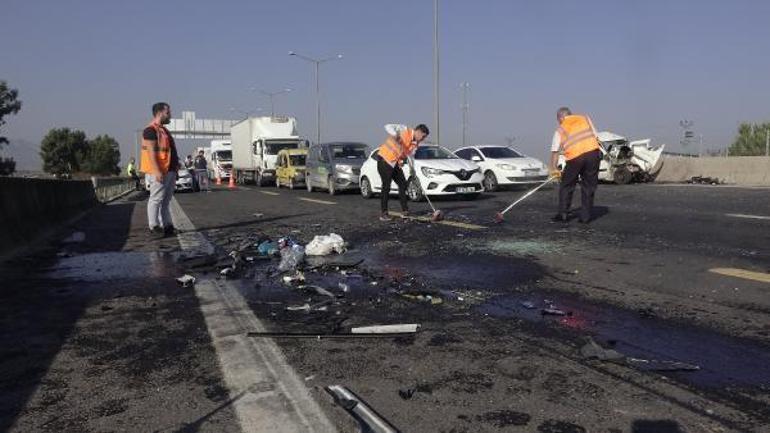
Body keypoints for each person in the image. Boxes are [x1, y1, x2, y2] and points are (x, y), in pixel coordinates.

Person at [549, 107, 602, 224]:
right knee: (589, 186)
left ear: (561, 117)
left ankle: (563, 215)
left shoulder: (560, 129)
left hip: (575, 158)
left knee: (567, 185)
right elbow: (596, 136)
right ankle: (585, 218)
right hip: (592, 154)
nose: (559, 122)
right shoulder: (585, 119)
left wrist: (553, 169)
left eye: (558, 120)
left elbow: (555, 152)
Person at [141, 102, 180, 237]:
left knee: (166, 200)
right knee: (156, 199)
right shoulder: (150, 130)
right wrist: (156, 170)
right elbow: (151, 152)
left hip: (169, 170)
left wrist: (175, 169)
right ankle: (154, 226)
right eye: (168, 112)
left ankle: (167, 226)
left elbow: (169, 151)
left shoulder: (163, 130)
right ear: (160, 113)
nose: (170, 115)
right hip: (160, 171)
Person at [376, 123, 430, 221]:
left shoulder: (415, 144)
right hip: (384, 160)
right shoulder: (404, 130)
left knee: (403, 184)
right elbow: (387, 126)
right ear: (418, 131)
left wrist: (412, 169)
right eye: (423, 136)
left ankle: (405, 211)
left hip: (394, 163)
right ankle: (384, 214)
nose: (423, 139)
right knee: (386, 186)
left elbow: (410, 156)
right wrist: (395, 134)